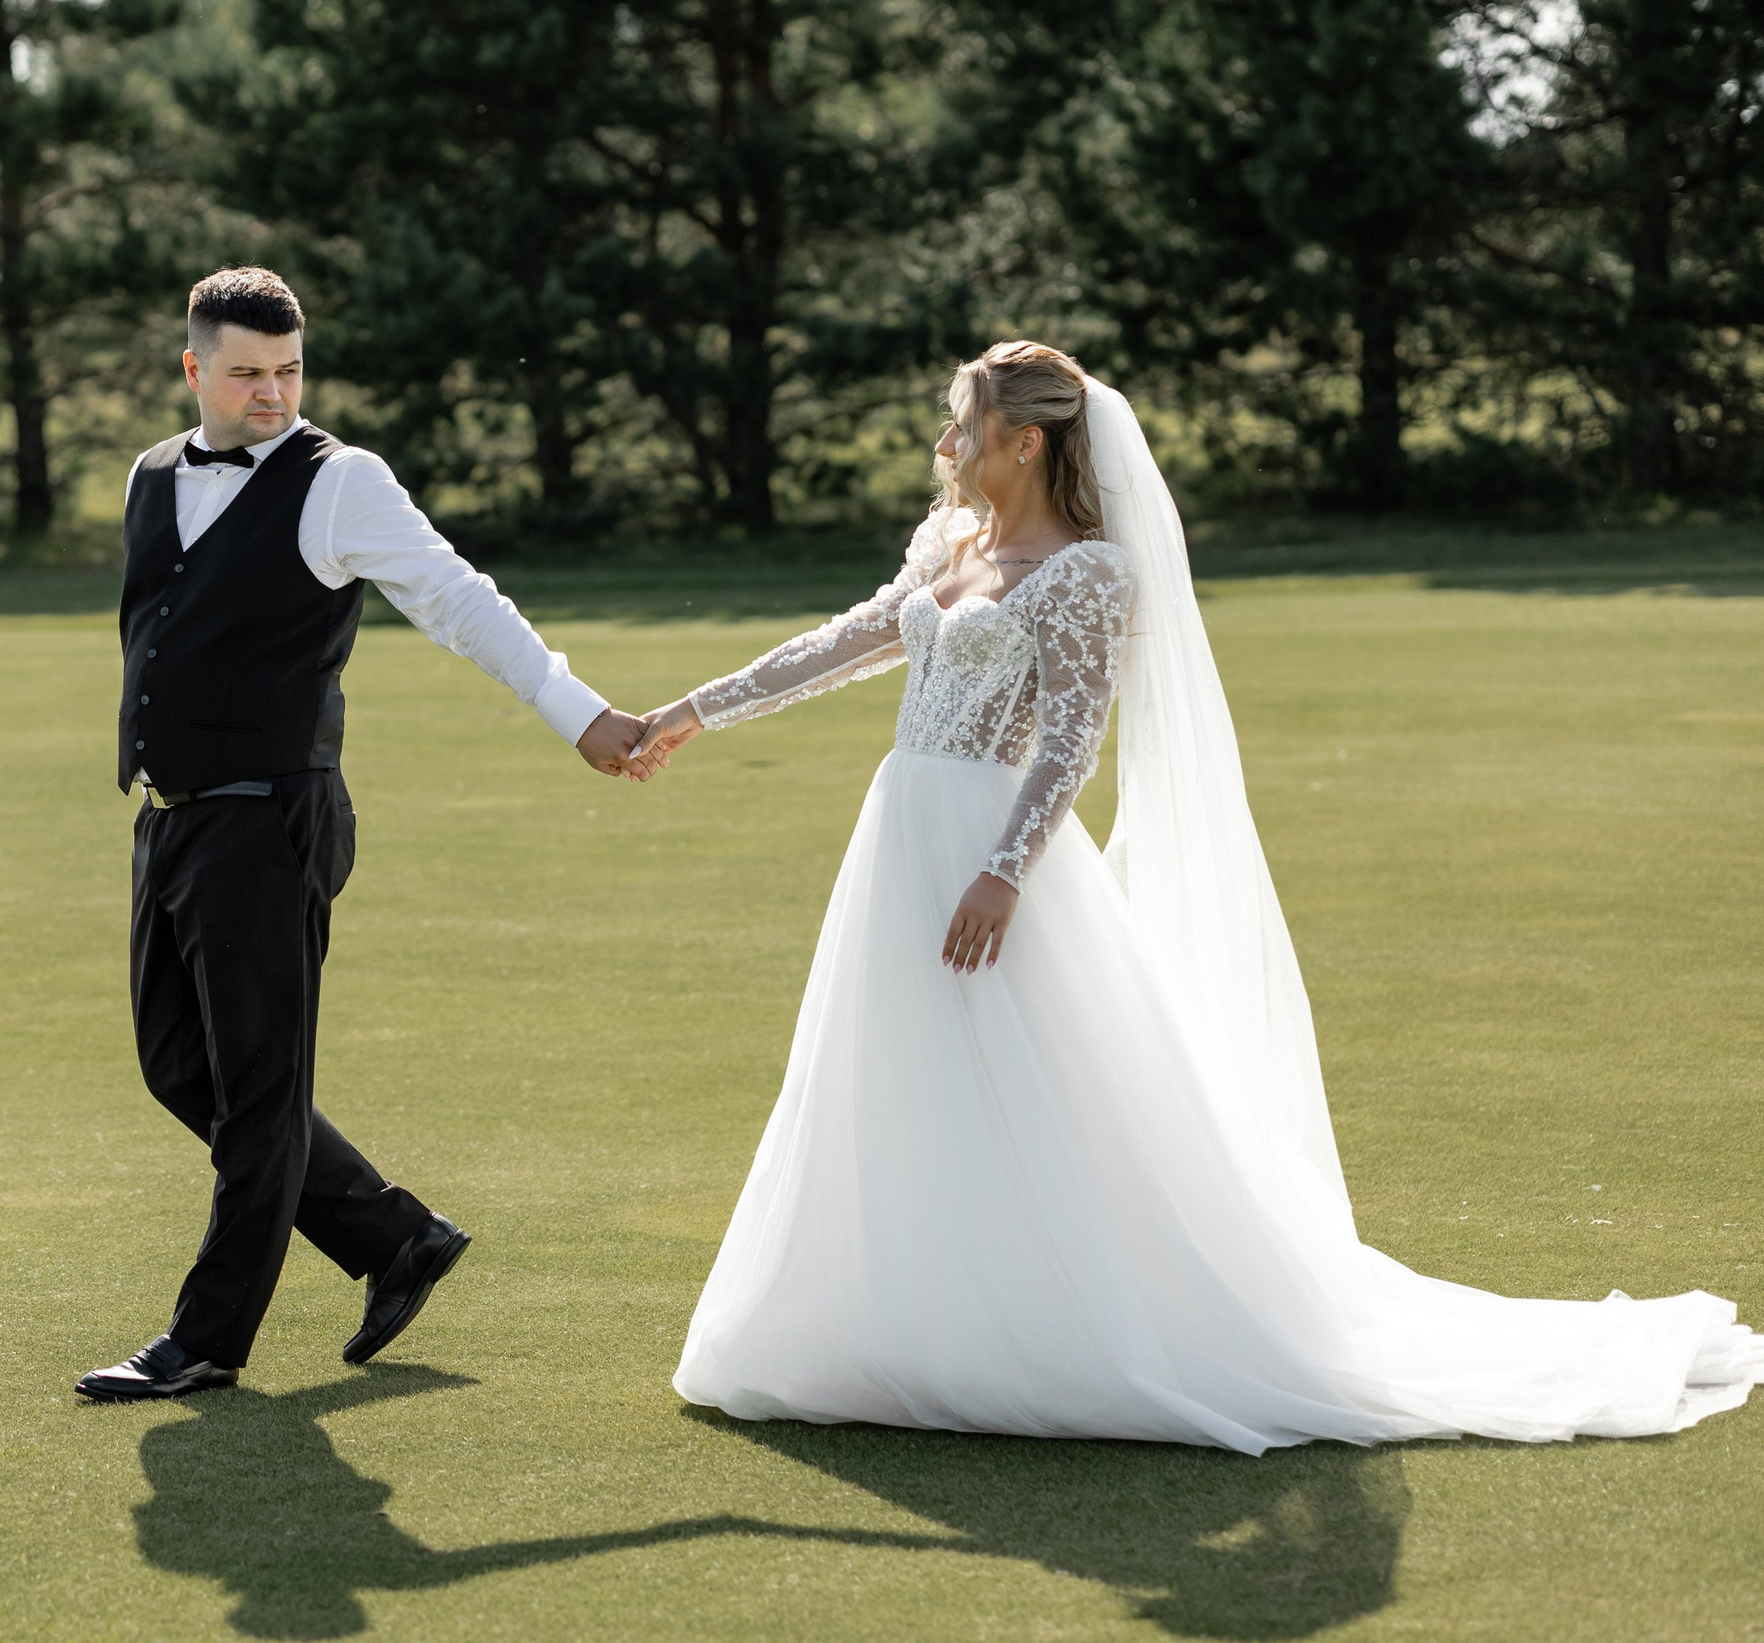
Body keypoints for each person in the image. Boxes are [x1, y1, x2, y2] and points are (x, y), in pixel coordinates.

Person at [629, 340, 1763, 1450]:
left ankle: (1058, 1328)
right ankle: (896, 1323)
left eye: (961, 423)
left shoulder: (1084, 573)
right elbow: (840, 644)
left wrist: (1002, 870)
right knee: (895, 1072)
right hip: (897, 843)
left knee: (1038, 1087)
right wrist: (685, 713)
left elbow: (1071, 744)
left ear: (1023, 441)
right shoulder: (949, 546)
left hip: (987, 853)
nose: (943, 441)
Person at [77, 267, 653, 1403]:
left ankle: (205, 1341)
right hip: (170, 818)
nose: (271, 395)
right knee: (177, 1068)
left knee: (257, 1091)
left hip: (271, 821)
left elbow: (456, 598)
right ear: (194, 368)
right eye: (245, 373)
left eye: (288, 371)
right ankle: (395, 1237)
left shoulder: (341, 483)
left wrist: (579, 716)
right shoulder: (153, 474)